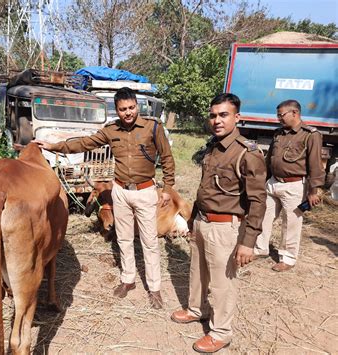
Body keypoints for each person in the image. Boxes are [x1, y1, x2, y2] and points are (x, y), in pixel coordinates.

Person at [34, 87, 175, 309]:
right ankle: (128, 280)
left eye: (131, 108)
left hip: (145, 191)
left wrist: (167, 188)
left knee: (149, 242)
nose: (127, 113)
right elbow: (84, 143)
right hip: (120, 191)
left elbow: (167, 158)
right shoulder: (110, 130)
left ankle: (154, 288)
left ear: (136, 106)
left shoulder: (152, 127)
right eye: (122, 109)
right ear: (116, 110)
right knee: (125, 238)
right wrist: (54, 147)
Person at [170, 93, 266, 353]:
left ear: (237, 117)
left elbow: (258, 202)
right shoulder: (213, 146)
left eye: (223, 115)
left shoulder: (248, 153)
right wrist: (192, 220)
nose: (217, 120)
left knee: (223, 283)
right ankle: (196, 309)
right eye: (213, 115)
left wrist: (248, 242)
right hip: (203, 221)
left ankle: (221, 332)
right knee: (197, 272)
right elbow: (205, 189)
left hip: (226, 228)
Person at [254, 100, 325, 271]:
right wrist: (264, 179)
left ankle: (287, 258)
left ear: (295, 113)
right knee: (263, 216)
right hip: (273, 183)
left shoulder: (310, 135)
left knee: (291, 223)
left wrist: (313, 190)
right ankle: (260, 248)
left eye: (281, 115)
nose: (278, 118)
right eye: (277, 115)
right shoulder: (278, 133)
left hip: (294, 186)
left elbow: (315, 164)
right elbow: (270, 158)